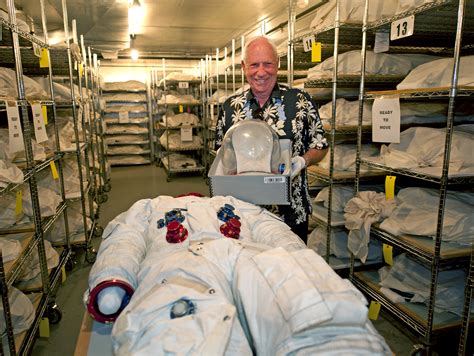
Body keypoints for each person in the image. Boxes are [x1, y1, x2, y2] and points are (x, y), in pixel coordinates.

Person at [214, 36, 328, 243]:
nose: (261, 72)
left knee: (290, 268)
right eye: (254, 65)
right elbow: (220, 154)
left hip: (291, 213)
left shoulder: (300, 101)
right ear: (243, 67)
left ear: (278, 64)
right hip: (242, 214)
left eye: (267, 64)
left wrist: (303, 160)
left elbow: (320, 144)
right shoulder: (230, 107)